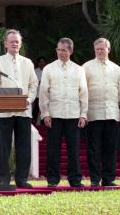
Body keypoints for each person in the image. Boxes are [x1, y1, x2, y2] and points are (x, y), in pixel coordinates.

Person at [0, 29, 38, 188]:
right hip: (4, 111)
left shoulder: (28, 62)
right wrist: (5, 98)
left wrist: (29, 99)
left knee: (24, 146)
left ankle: (22, 179)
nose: (14, 44)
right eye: (11, 41)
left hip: (24, 110)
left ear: (20, 43)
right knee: (3, 146)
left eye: (17, 41)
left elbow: (33, 84)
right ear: (5, 44)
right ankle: (3, 179)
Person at [39, 38, 88, 187]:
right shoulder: (49, 68)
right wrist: (45, 113)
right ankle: (52, 180)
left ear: (71, 51)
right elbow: (43, 93)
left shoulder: (79, 69)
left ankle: (75, 180)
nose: (60, 53)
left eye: (64, 50)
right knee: (53, 149)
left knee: (74, 150)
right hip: (54, 115)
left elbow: (84, 93)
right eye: (58, 50)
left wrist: (83, 114)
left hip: (73, 114)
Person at [83, 38, 120, 187]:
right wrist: (83, 113)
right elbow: (81, 91)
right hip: (93, 114)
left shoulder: (117, 69)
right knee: (94, 149)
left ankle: (108, 179)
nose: (100, 52)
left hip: (112, 114)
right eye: (97, 49)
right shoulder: (86, 67)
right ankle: (95, 179)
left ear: (108, 50)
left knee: (110, 148)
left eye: (102, 49)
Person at [32, 56, 47, 123]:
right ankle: (34, 123)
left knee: (45, 109)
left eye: (43, 62)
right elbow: (32, 82)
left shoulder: (48, 71)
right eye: (40, 62)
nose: (42, 63)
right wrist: (38, 82)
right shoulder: (35, 71)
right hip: (37, 94)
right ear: (38, 63)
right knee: (36, 109)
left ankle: (44, 123)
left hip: (46, 94)